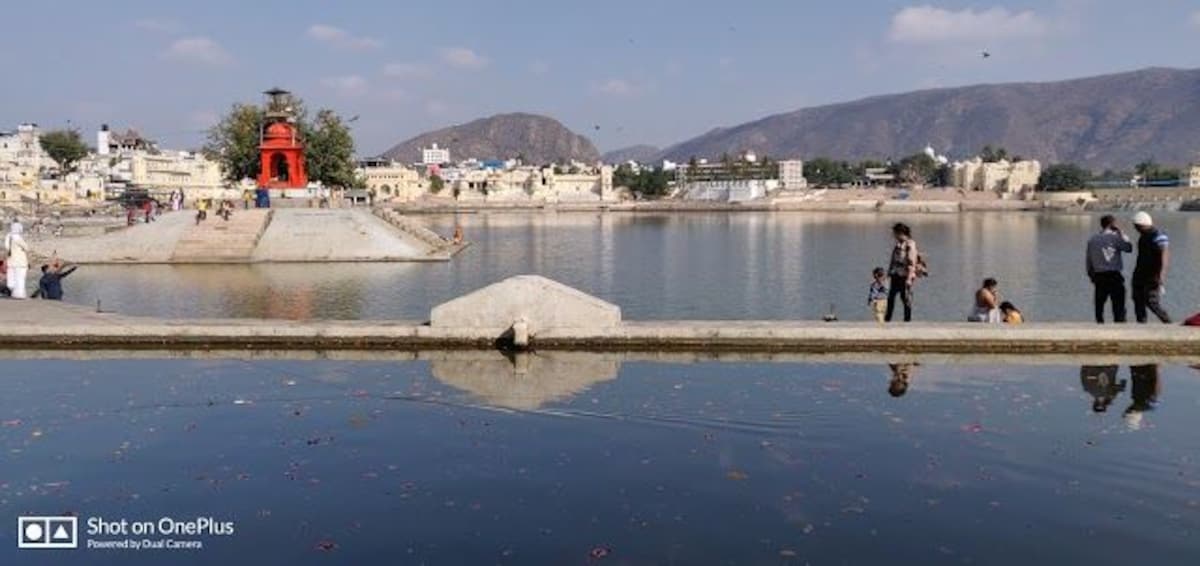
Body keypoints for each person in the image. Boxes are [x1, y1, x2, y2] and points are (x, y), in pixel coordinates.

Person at [1086, 214, 1133, 323]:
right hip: (1113, 275)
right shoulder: (1115, 238)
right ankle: (1119, 326)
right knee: (1118, 304)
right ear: (1113, 224)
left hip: (1099, 275)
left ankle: (1099, 324)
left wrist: (1090, 274)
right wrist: (1122, 233)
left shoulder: (1093, 239)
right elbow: (1129, 248)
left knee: (1099, 304)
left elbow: (1088, 259)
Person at [1130, 212, 1171, 323]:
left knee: (1152, 301)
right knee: (1138, 300)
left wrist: (1161, 275)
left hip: (1152, 275)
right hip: (1139, 274)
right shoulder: (1143, 236)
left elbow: (1164, 254)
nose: (1135, 228)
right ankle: (1141, 325)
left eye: (1135, 226)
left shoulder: (1158, 235)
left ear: (1140, 225)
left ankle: (1168, 322)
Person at [885, 223, 919, 322]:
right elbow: (893, 259)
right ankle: (888, 319)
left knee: (905, 298)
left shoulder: (910, 244)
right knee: (891, 297)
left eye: (895, 233)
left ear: (900, 233)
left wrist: (909, 278)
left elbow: (911, 262)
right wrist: (889, 272)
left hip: (905, 275)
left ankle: (907, 320)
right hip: (896, 273)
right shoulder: (898, 244)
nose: (893, 236)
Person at [4, 223, 30, 299]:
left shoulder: (8, 236)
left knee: (12, 278)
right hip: (20, 261)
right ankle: (20, 294)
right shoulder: (17, 237)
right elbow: (27, 248)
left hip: (11, 261)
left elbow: (7, 248)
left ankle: (13, 292)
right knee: (20, 278)